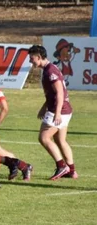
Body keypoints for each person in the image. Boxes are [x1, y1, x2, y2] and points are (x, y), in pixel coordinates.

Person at [28, 45, 77, 179]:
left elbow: (60, 93)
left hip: (59, 110)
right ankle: (71, 171)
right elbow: (52, 93)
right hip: (64, 109)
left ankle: (62, 166)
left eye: (32, 58)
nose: (30, 61)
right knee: (60, 140)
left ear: (39, 57)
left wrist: (57, 113)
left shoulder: (50, 71)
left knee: (44, 138)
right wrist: (44, 107)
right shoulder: (49, 69)